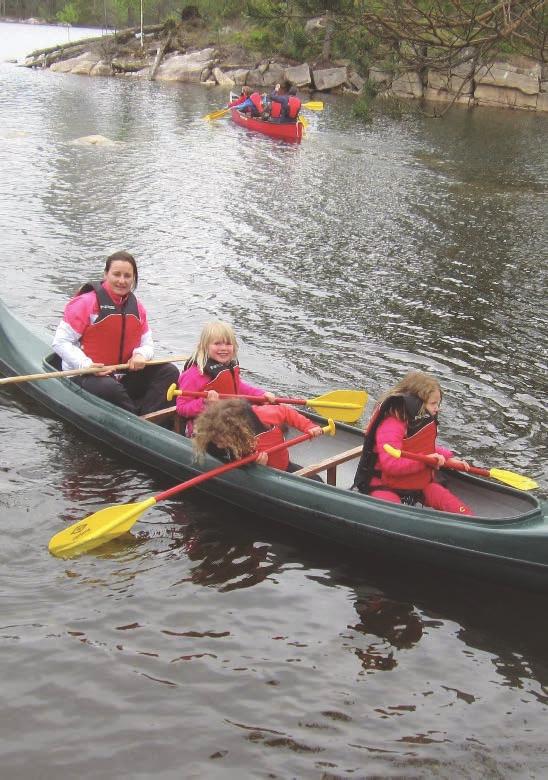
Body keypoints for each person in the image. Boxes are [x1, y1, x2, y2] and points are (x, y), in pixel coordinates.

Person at [52, 250, 179, 415]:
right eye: (116, 274)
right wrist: (87, 365)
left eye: (127, 276)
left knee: (169, 371)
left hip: (123, 373)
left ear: (133, 278)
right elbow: (60, 342)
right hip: (86, 374)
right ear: (106, 274)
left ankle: (149, 417)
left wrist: (140, 355)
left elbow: (147, 344)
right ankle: (133, 417)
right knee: (110, 388)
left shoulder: (138, 308)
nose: (122, 280)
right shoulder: (85, 303)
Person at [352, 371, 473, 515]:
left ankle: (469, 520)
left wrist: (449, 457)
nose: (437, 408)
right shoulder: (391, 424)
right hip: (384, 484)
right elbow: (390, 464)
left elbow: (423, 447)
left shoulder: (417, 421)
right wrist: (426, 461)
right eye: (433, 403)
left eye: (438, 403)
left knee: (452, 504)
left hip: (416, 483)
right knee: (397, 516)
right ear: (417, 402)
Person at [176, 321, 275, 436]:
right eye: (217, 344)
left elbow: (239, 386)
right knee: (245, 414)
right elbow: (181, 408)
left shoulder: (228, 367)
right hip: (203, 427)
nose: (223, 348)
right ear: (204, 346)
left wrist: (261, 395)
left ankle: (262, 441)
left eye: (228, 344)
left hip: (229, 417)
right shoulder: (193, 375)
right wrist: (205, 403)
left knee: (263, 416)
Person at [193, 397, 323, 472]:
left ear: (237, 431)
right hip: (267, 472)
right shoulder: (215, 443)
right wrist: (255, 467)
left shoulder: (263, 415)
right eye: (216, 441)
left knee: (316, 480)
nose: (219, 445)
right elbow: (236, 465)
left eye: (221, 440)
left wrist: (308, 426)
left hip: (284, 465)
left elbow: (286, 412)